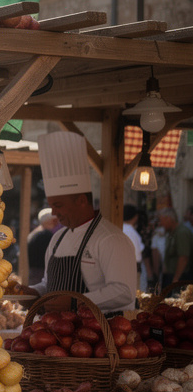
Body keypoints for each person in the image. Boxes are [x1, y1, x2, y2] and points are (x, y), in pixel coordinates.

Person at [26, 131, 137, 313]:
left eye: (59, 205)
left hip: (97, 334)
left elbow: (123, 292)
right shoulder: (58, 238)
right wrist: (33, 293)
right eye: (51, 205)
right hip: (57, 333)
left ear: (82, 201)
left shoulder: (111, 239)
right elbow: (49, 283)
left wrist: (75, 302)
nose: (54, 212)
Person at [157, 207, 193, 289]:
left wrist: (176, 278)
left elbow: (183, 257)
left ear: (168, 219)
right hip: (171, 275)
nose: (160, 224)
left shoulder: (182, 232)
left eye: (161, 220)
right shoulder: (172, 232)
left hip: (181, 277)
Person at [26, 208, 59, 286]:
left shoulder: (35, 232)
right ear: (50, 221)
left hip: (33, 273)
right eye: (55, 220)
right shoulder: (45, 235)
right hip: (40, 274)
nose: (57, 222)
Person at [123, 205, 146, 291]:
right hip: (130, 269)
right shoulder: (130, 231)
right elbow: (137, 253)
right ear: (135, 217)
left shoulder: (123, 228)